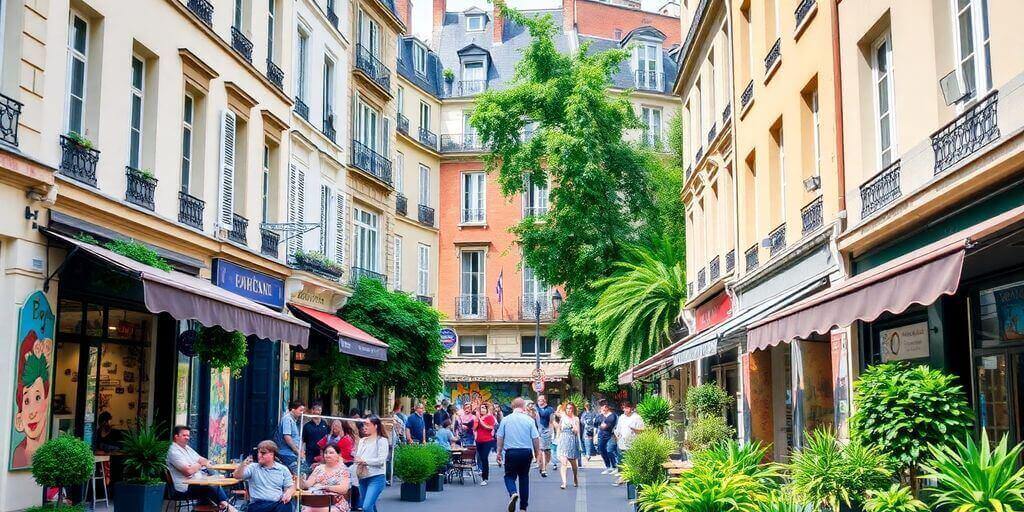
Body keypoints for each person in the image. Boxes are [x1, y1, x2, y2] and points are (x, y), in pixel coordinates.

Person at [166, 425, 236, 512]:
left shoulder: (187, 448)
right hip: (185, 487)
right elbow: (188, 471)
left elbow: (203, 460)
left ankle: (224, 506)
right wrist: (200, 464)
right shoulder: (173, 451)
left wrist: (199, 464)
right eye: (184, 435)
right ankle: (228, 507)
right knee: (211, 486)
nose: (187, 438)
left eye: (188, 435)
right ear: (176, 436)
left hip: (197, 481)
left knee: (213, 480)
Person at [496, 397, 541, 512]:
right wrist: (537, 454)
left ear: (512, 406)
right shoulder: (529, 420)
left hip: (511, 452)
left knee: (509, 476)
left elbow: (500, 437)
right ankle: (523, 508)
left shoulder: (506, 420)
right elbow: (535, 438)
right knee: (524, 478)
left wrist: (499, 452)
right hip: (526, 452)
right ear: (523, 407)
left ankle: (513, 492)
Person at [232, 440, 296, 512]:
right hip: (258, 504)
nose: (259, 455)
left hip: (277, 503)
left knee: (286, 506)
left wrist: (289, 493)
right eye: (258, 452)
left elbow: (290, 486)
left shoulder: (283, 469)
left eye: (263, 453)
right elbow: (237, 476)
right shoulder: (253, 467)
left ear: (272, 454)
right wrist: (243, 465)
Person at [300, 443, 351, 512]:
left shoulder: (343, 469)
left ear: (338, 455)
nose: (327, 455)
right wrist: (300, 480)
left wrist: (326, 488)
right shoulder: (319, 468)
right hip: (314, 501)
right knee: (305, 510)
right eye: (326, 453)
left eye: (331, 453)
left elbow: (344, 489)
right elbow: (307, 484)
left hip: (335, 503)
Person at [353, 416, 389, 512]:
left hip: (377, 477)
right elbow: (358, 456)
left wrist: (364, 461)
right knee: (370, 506)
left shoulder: (382, 440)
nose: (364, 427)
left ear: (375, 426)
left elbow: (381, 460)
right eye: (364, 424)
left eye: (367, 425)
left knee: (366, 507)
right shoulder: (362, 441)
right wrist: (356, 458)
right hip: (362, 476)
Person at [613, 401, 645, 485]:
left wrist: (635, 429)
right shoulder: (621, 417)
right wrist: (617, 436)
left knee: (631, 462)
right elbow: (618, 429)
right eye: (624, 408)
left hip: (633, 444)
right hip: (622, 443)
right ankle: (623, 477)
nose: (625, 410)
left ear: (631, 408)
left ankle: (629, 479)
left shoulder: (637, 417)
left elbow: (643, 430)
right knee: (623, 462)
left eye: (627, 408)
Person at [556, 403, 581, 489]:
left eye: (570, 408)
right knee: (564, 462)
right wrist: (557, 438)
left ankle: (575, 477)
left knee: (573, 464)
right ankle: (564, 482)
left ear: (573, 409)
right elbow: (559, 428)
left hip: (572, 441)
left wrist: (575, 428)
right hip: (563, 440)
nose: (569, 410)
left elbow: (577, 431)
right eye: (567, 408)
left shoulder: (576, 419)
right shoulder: (563, 418)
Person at [275, 400, 305, 474]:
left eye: (303, 411)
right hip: (287, 454)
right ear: (293, 409)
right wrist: (297, 451)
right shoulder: (287, 419)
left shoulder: (294, 420)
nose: (302, 413)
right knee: (299, 474)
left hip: (292, 454)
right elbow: (287, 437)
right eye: (300, 410)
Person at [475, 403, 497, 485]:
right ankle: (481, 471)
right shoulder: (479, 417)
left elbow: (489, 427)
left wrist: (480, 420)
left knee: (484, 458)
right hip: (478, 440)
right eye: (481, 408)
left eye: (484, 408)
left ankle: (485, 478)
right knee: (480, 457)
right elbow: (474, 428)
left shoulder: (490, 417)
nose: (482, 410)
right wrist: (476, 420)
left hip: (487, 440)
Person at [596, 400, 618, 474]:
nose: (601, 408)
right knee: (602, 450)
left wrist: (602, 423)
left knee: (610, 450)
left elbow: (605, 426)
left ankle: (614, 466)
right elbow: (596, 423)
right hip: (601, 436)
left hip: (610, 435)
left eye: (603, 406)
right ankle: (608, 466)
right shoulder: (601, 415)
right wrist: (601, 420)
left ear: (606, 407)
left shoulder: (612, 416)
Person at [534, 396, 554, 477]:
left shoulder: (549, 409)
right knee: (541, 450)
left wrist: (551, 431)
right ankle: (543, 469)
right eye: (538, 400)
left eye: (541, 400)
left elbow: (551, 421)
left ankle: (543, 465)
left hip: (547, 431)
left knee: (547, 452)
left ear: (545, 400)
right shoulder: (535, 409)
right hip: (538, 432)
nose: (539, 402)